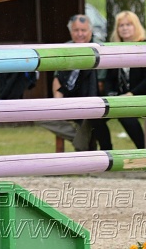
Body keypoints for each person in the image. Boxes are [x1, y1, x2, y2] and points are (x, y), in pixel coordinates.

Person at [43, 14, 109, 150]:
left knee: (85, 134)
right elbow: (57, 78)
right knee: (41, 116)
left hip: (93, 101)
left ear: (90, 31)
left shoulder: (99, 49)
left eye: (83, 30)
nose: (79, 34)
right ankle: (76, 135)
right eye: (76, 30)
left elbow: (101, 84)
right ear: (70, 31)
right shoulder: (65, 48)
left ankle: (81, 143)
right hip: (70, 97)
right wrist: (59, 103)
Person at [100, 11, 146, 149]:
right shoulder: (115, 49)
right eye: (121, 25)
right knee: (96, 116)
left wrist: (131, 94)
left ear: (136, 27)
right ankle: (106, 154)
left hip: (141, 96)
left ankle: (144, 149)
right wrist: (110, 93)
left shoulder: (145, 46)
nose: (124, 28)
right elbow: (109, 78)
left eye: (129, 24)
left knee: (125, 114)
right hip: (120, 97)